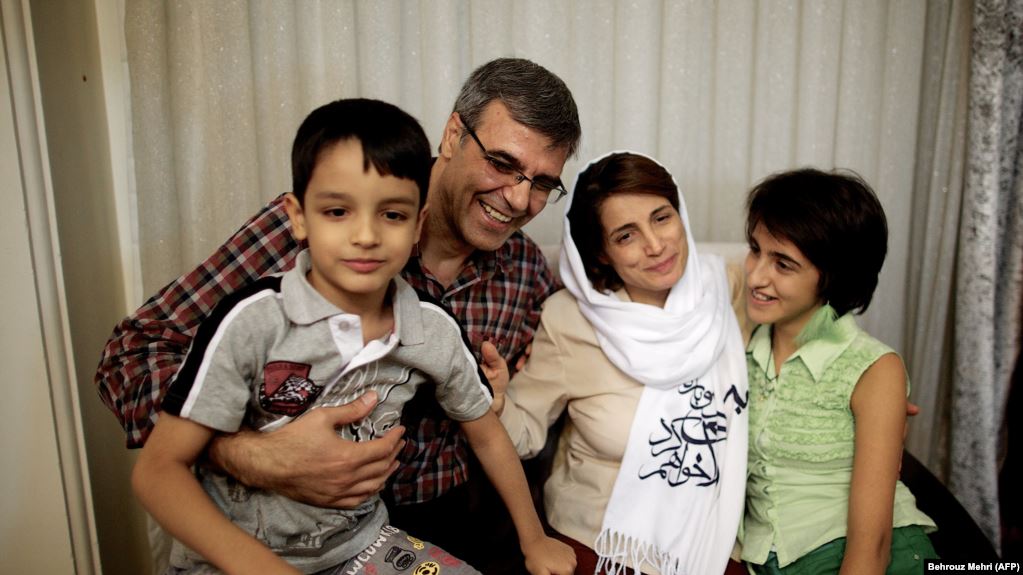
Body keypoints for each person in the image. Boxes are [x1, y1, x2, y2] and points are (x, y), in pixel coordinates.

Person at [96, 58, 580, 570]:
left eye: (543, 183)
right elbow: (132, 354)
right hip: (273, 528)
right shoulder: (311, 239)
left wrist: (508, 395)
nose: (520, 198)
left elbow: (530, 386)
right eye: (502, 164)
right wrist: (250, 453)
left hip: (437, 518)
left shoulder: (524, 269)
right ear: (454, 133)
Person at [496, 151, 750, 575]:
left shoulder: (728, 291)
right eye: (626, 236)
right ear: (601, 254)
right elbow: (523, 435)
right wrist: (495, 401)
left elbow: (802, 338)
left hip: (713, 537)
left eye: (662, 218)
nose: (655, 245)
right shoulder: (569, 318)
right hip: (600, 540)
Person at [738, 168, 937, 574]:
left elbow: (872, 544)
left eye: (783, 264)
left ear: (832, 276)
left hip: (867, 557)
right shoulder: (736, 347)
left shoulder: (875, 368)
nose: (756, 275)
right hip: (765, 559)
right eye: (755, 249)